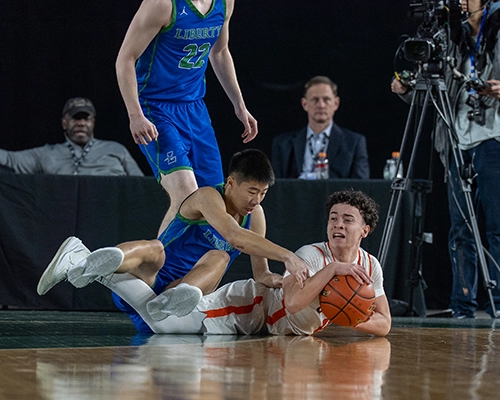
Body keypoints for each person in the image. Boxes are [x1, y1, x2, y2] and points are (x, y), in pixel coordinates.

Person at [39, 188, 391, 337]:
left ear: (365, 230)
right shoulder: (312, 256)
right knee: (165, 326)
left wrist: (349, 316)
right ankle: (83, 260)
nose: (337, 224)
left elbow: (384, 322)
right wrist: (332, 271)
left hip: (270, 330)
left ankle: (87, 262)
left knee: (162, 316)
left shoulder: (370, 265)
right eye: (333, 218)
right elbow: (295, 302)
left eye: (347, 220)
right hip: (250, 307)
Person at [37, 149, 310, 332]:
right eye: (252, 191)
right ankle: (97, 261)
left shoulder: (256, 215)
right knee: (156, 248)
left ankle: (175, 294)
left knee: (220, 257)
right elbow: (234, 237)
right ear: (230, 182)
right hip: (149, 276)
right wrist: (288, 256)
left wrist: (281, 280)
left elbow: (260, 273)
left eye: (263, 193)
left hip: (177, 301)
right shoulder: (207, 196)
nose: (257, 200)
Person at [391, 0, 500, 318]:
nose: (461, 1)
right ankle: (463, 305)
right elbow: (432, 85)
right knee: (460, 229)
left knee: (496, 226)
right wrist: (405, 88)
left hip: (494, 139)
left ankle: (498, 303)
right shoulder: (449, 35)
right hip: (455, 140)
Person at [116, 0, 258, 233]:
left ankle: (191, 258)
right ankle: (157, 258)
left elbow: (220, 52)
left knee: (214, 199)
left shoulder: (225, 3)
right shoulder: (162, 4)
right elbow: (125, 58)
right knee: (185, 193)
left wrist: (240, 106)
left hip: (194, 108)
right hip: (155, 107)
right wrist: (135, 114)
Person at [0, 97, 144, 176]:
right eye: (75, 118)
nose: (81, 123)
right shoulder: (47, 153)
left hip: (110, 212)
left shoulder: (116, 150)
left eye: (86, 118)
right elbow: (10, 160)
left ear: (93, 122)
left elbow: (140, 186)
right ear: (64, 123)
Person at [272, 76, 370, 180]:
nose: (321, 105)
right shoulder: (283, 144)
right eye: (315, 100)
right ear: (304, 104)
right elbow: (276, 185)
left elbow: (361, 185)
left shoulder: (354, 143)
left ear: (336, 103)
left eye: (326, 99)